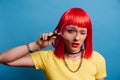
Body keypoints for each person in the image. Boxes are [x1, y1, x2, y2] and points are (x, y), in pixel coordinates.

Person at [0, 8, 107, 80]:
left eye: (82, 32)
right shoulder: (47, 57)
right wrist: (36, 46)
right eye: (71, 31)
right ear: (60, 32)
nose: (77, 38)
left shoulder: (97, 58)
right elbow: (4, 59)